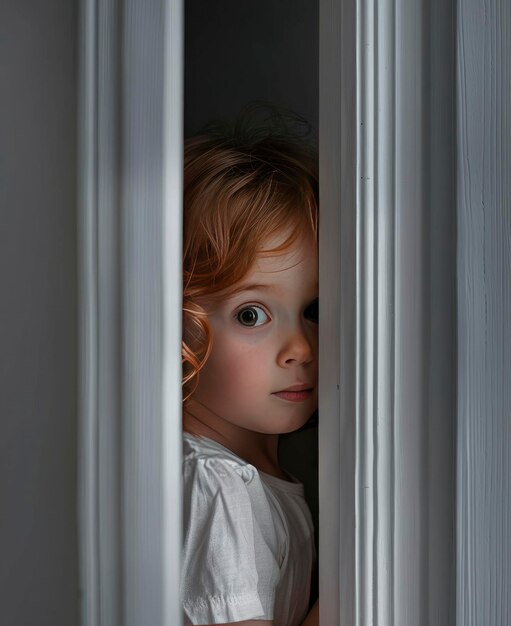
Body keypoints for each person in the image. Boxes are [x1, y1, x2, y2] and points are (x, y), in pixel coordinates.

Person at [181, 108, 320, 626]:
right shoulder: (214, 484)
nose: (301, 348)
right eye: (252, 313)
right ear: (177, 328)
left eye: (314, 311)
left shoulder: (247, 479)